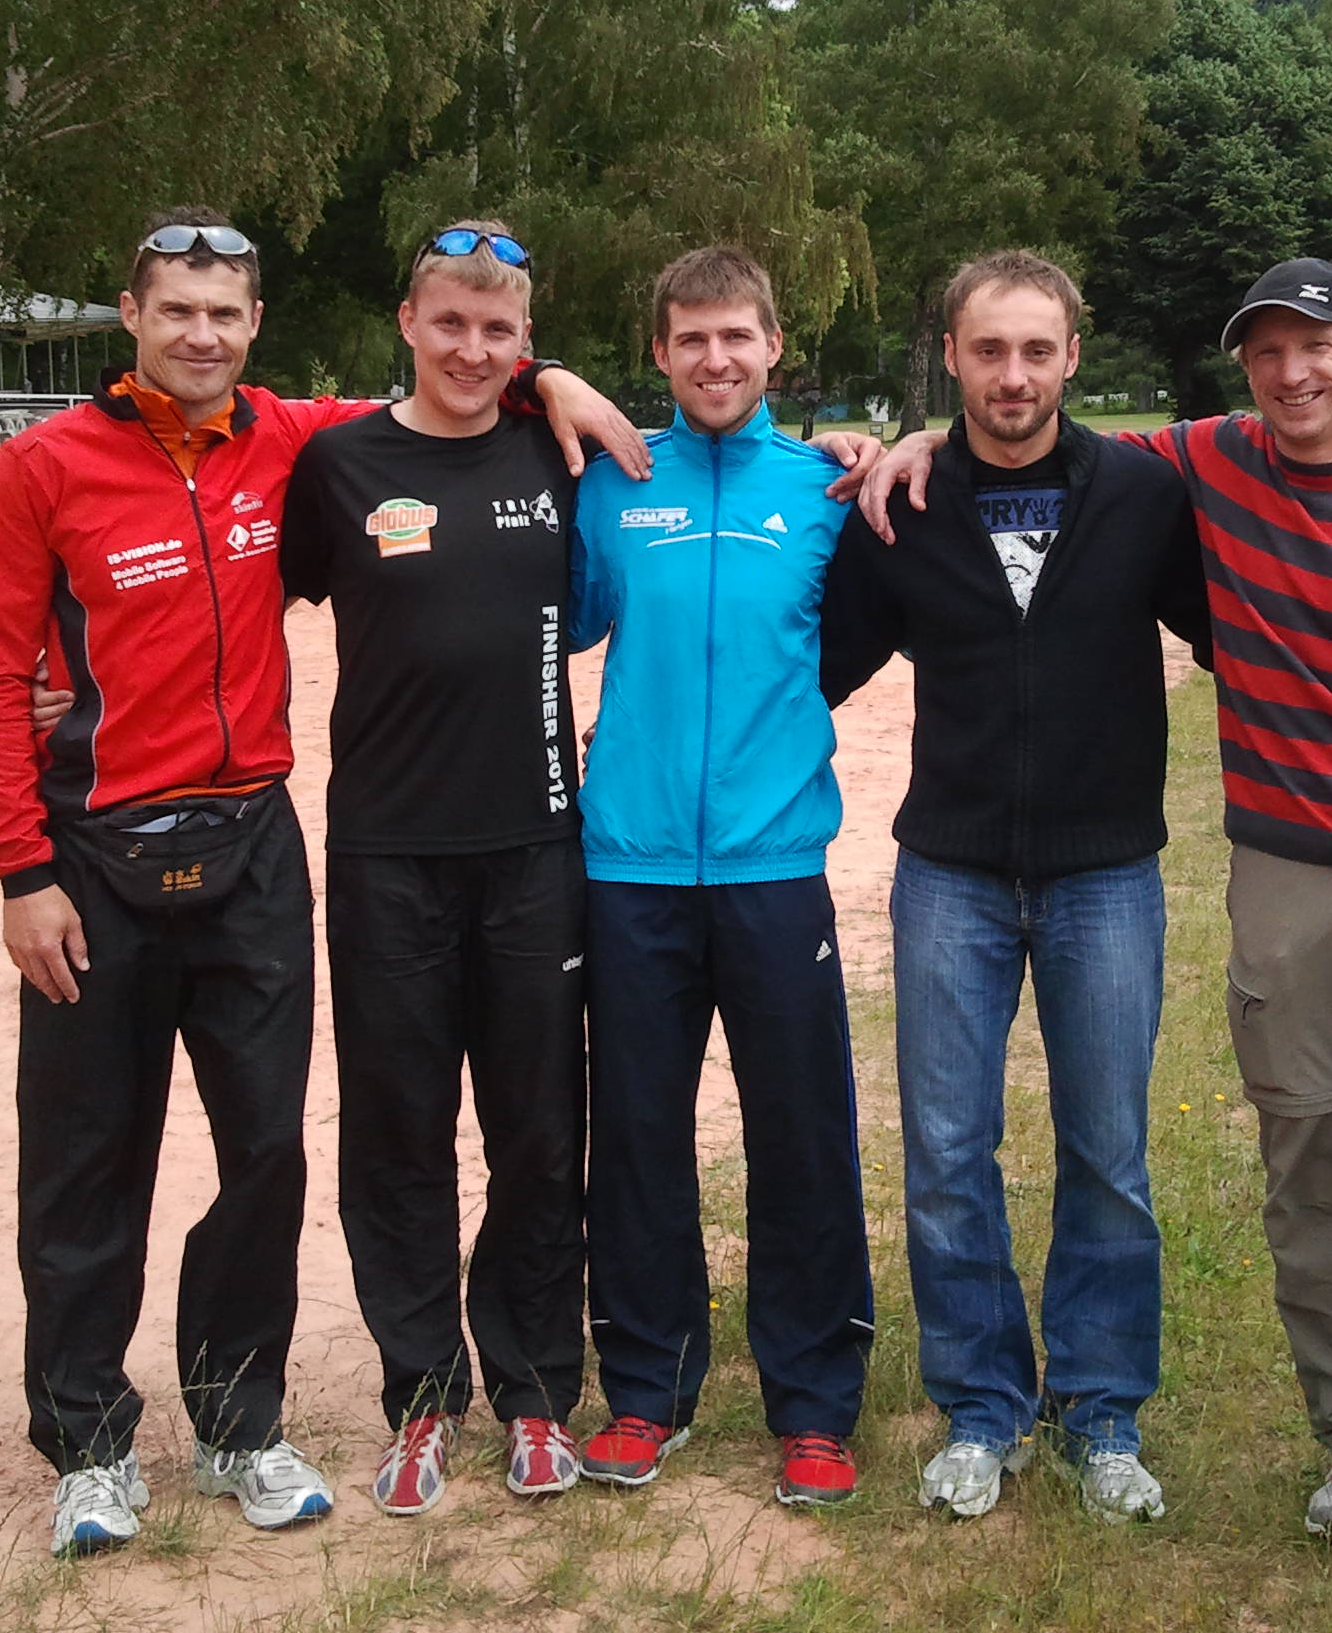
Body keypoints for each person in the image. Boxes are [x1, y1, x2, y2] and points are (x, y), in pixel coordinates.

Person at [862, 257, 1332, 1624]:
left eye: (1319, 350)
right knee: (1310, 1167)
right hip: (1282, 874)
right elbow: (1025, 452)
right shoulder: (1209, 466)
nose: (1293, 374)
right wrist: (890, 447)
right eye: (1267, 353)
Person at [0, 210, 638, 1556]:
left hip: (267, 843)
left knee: (269, 1153)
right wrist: (21, 868)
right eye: (176, 311)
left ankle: (239, 1423)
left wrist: (551, 379)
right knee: (91, 1159)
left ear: (252, 328)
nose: (200, 334)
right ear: (132, 315)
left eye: (224, 314)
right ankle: (93, 1445)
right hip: (101, 854)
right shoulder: (57, 467)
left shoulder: (296, 441)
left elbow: (481, 395)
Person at [819, 250, 1211, 1523]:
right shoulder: (907, 508)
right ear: (950, 357)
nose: (1013, 375)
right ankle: (982, 1406)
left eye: (1036, 350)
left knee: (1108, 1152)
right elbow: (814, 661)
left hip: (1106, 876)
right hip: (950, 876)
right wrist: (841, 465)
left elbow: (1242, 634)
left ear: (1073, 357)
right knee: (945, 1152)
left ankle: (1100, 1411)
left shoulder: (1141, 498)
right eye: (988, 351)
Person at [277, 221, 592, 1516]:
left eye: (499, 331)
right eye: (449, 323)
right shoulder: (341, 463)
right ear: (407, 321)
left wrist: (557, 385)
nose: (472, 349)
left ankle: (532, 1395)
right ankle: (419, 1397)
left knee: (536, 1133)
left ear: (525, 345)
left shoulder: (557, 450)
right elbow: (253, 597)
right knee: (398, 1135)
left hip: (536, 850)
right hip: (386, 856)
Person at [567, 248, 879, 1507]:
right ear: (659, 351)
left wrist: (884, 455)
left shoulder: (821, 491)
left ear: (773, 344)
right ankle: (648, 1391)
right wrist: (548, 387)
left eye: (738, 338)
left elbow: (862, 633)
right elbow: (556, 622)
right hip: (628, 864)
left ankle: (813, 1404)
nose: (715, 360)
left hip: (772, 864)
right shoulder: (609, 484)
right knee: (637, 1134)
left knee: (800, 1132)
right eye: (691, 339)